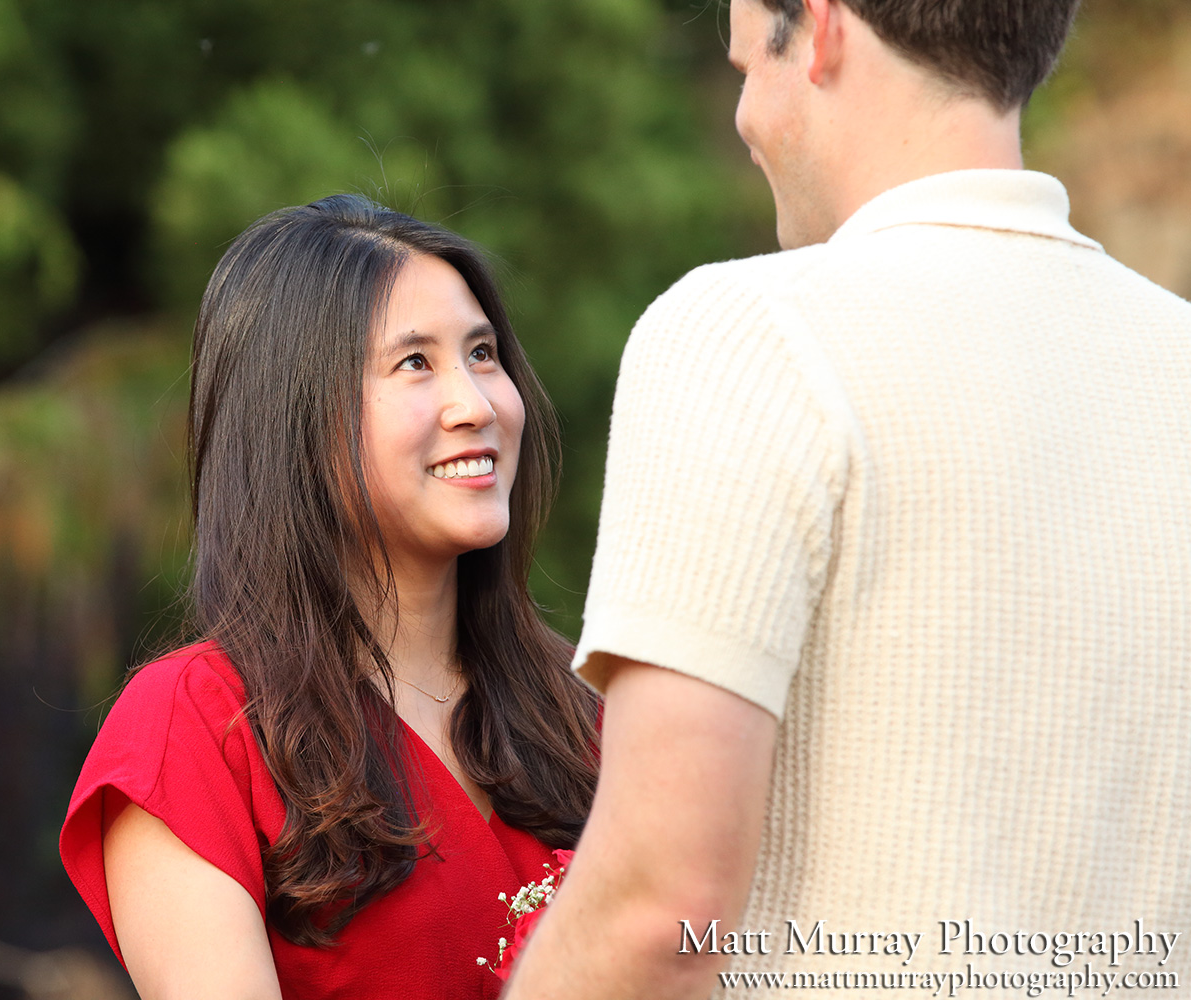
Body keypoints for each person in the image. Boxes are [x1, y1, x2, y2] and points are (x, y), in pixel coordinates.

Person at [504, 0, 1191, 997]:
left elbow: (661, 909)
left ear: (819, 28)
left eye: (748, 67)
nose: (743, 118)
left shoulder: (748, 335)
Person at [59, 195, 599, 1000]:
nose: (479, 404)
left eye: (483, 354)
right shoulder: (198, 730)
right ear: (297, 420)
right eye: (416, 363)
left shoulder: (587, 711)